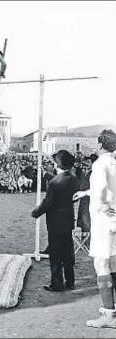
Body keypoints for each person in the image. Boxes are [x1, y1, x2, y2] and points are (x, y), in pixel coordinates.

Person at [77, 130, 116, 328]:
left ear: (100, 145)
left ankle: (109, 314)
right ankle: (112, 311)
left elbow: (102, 191)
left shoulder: (99, 164)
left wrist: (106, 208)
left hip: (104, 221)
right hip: (114, 221)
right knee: (114, 265)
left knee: (102, 265)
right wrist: (86, 192)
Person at [31, 150, 80, 292]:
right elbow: (62, 183)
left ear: (57, 165)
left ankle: (57, 283)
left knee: (56, 254)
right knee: (67, 252)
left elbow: (48, 202)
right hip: (68, 220)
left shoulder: (54, 183)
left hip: (55, 223)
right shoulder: (72, 178)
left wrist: (36, 212)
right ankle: (70, 281)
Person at [73, 154, 98, 247]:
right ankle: (85, 242)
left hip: (91, 199)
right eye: (85, 162)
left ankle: (89, 243)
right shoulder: (82, 172)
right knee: (83, 220)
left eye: (88, 162)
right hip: (83, 199)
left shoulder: (95, 173)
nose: (85, 164)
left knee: (88, 220)